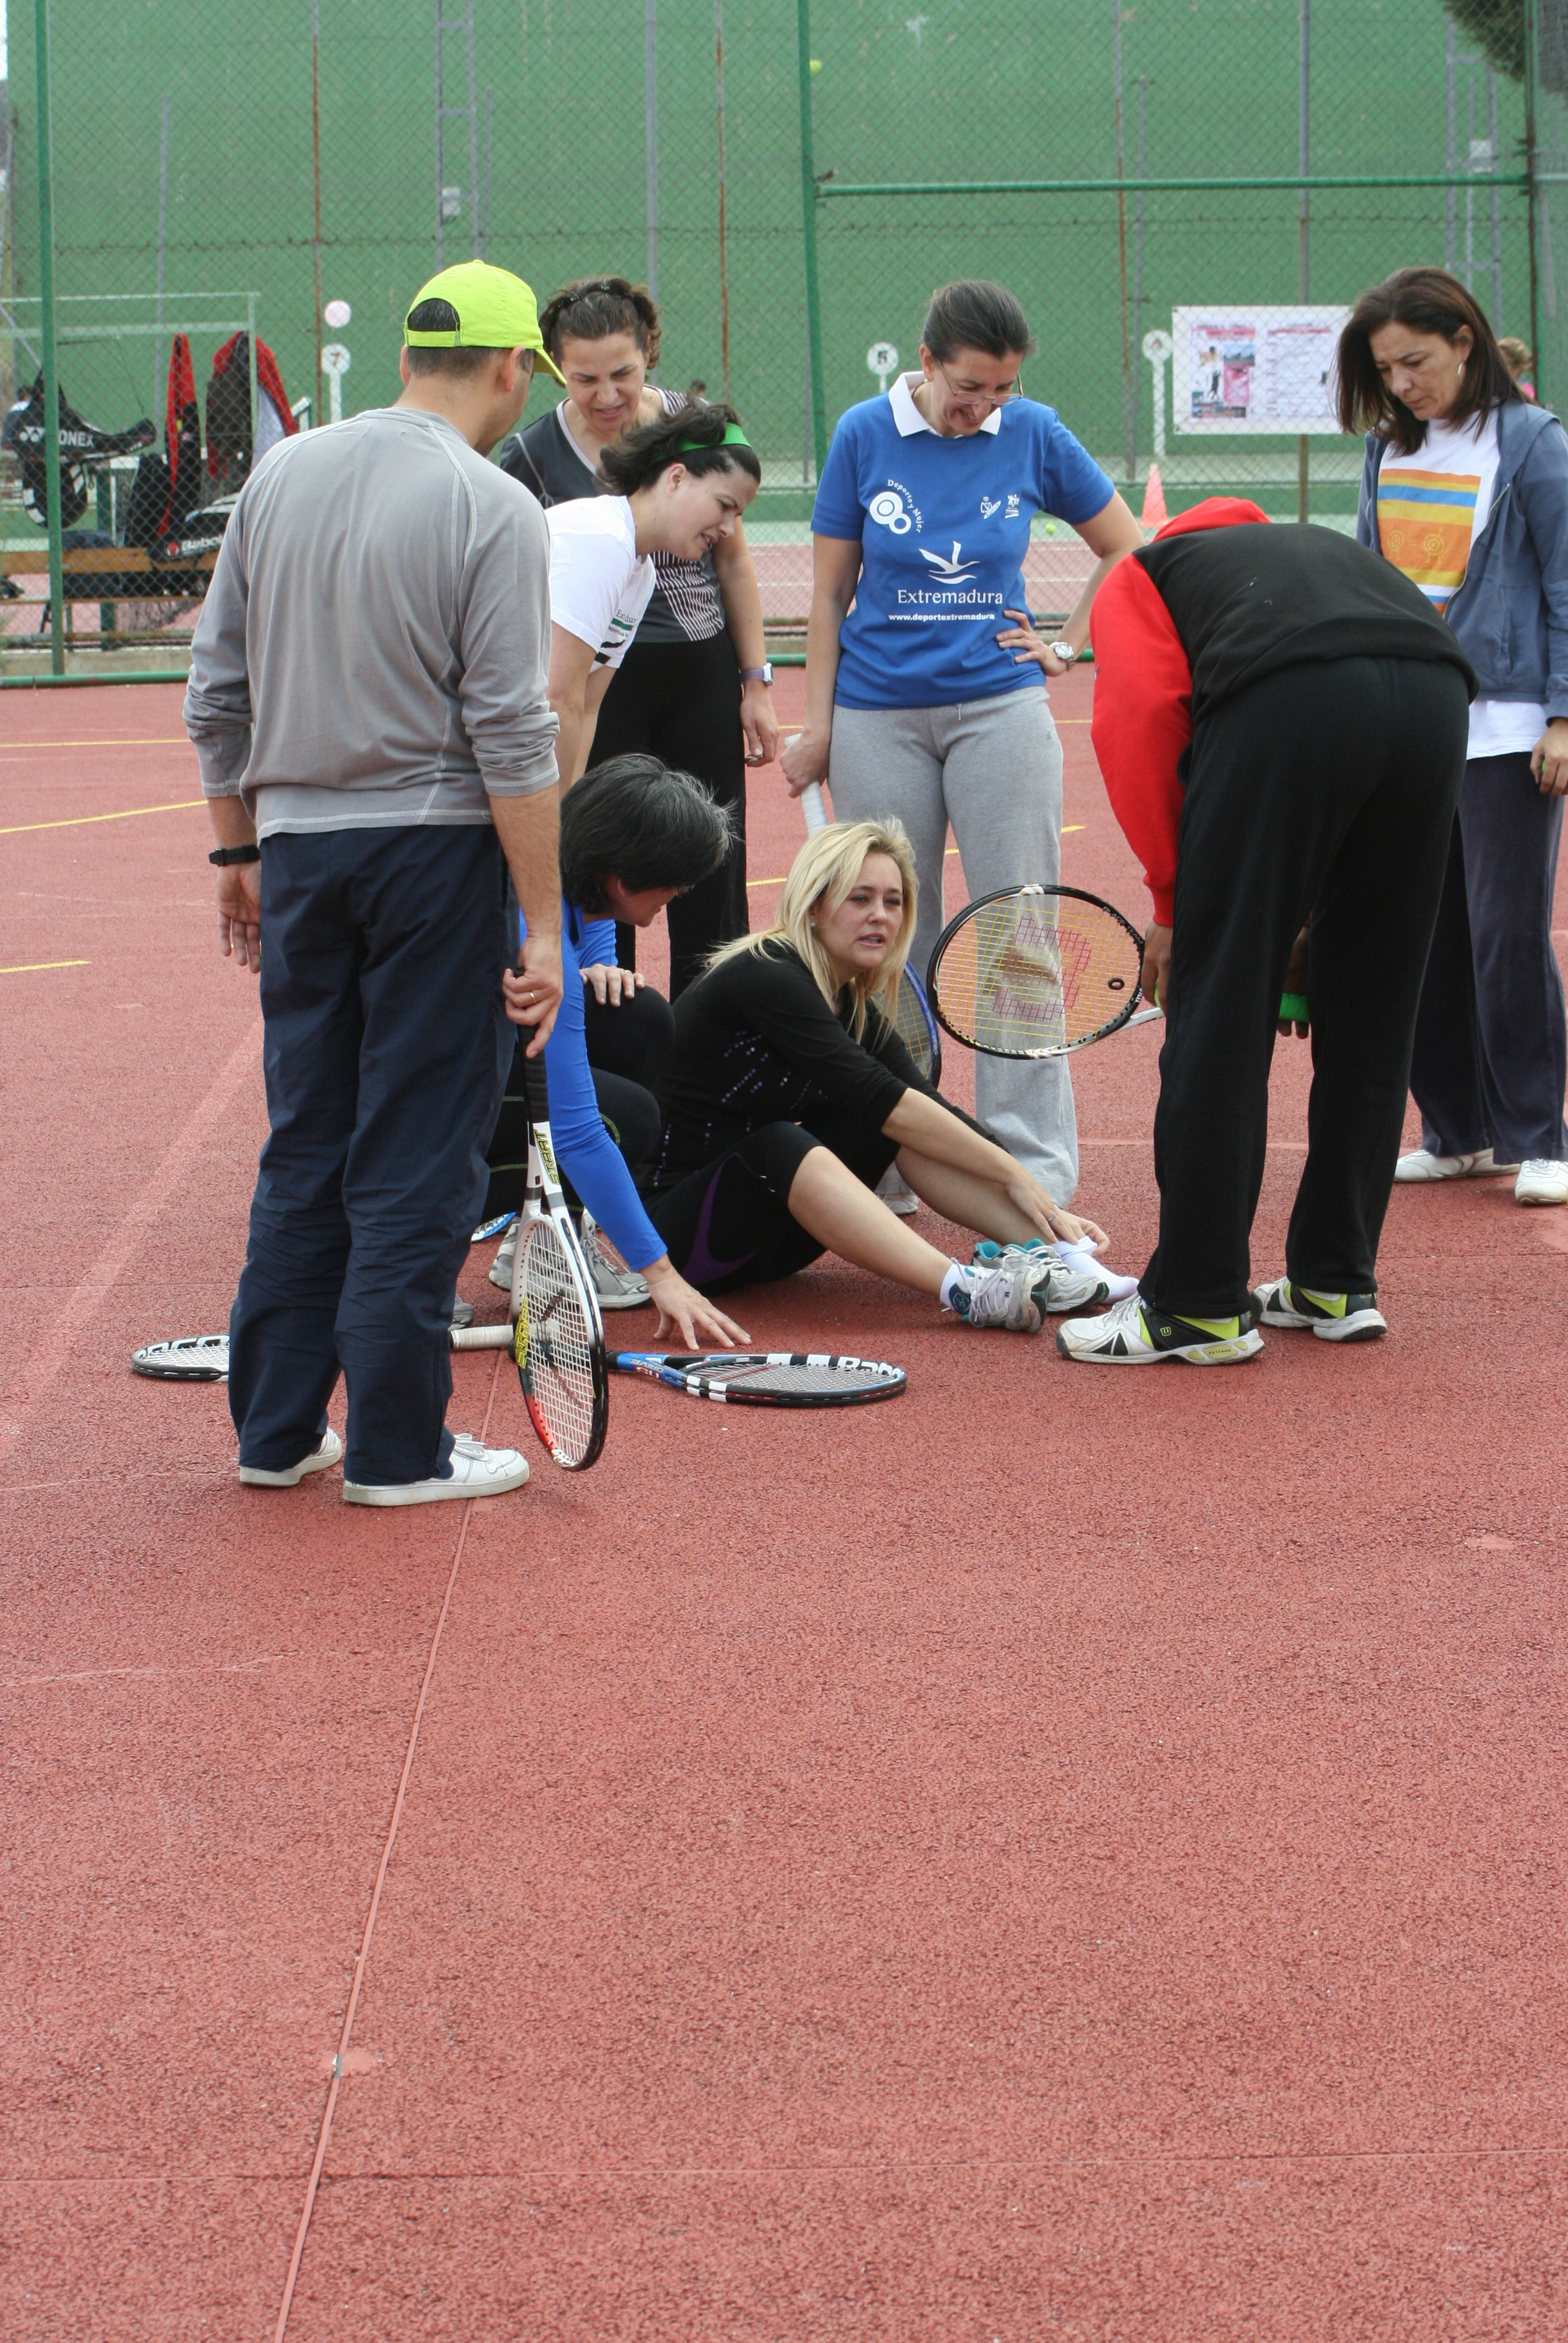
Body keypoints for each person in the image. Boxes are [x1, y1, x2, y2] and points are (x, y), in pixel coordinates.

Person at [187, 261, 570, 1506]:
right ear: (512, 369)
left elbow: (216, 691)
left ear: (409, 356)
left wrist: (239, 849)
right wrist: (547, 924)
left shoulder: (280, 474)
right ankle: (401, 1449)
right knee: (416, 1145)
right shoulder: (493, 504)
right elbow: (512, 731)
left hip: (300, 851)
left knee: (308, 1137)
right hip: (432, 852)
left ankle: (276, 1430)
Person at [1066, 497, 1476, 1366]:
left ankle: (1197, 1305)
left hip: (1293, 697)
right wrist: (1310, 923)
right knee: (1372, 1006)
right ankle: (1336, 1279)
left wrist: (1176, 906)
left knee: (1219, 1013)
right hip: (1438, 698)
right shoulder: (1310, 551)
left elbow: (1138, 725)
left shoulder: (1146, 572)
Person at [780, 279, 1145, 1208]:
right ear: (928, 361)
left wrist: (1068, 643)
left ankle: (1033, 1166)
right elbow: (828, 594)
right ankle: (892, 1154)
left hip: (1000, 710)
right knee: (881, 939)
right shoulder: (865, 433)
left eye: (1001, 389)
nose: (983, 405)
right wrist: (819, 727)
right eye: (969, 386)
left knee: (1016, 927)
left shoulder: (1034, 433)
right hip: (877, 715)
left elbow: (1126, 543)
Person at [1338, 266, 1568, 1209]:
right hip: (1410, 727)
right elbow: (1370, 577)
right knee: (1419, 939)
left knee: (1504, 937)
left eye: (1415, 361)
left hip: (1509, 732)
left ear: (1464, 341)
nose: (1403, 383)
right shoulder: (1386, 447)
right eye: (1386, 368)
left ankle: (1537, 1136)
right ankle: (1457, 1133)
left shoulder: (1529, 442)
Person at [642, 820, 1130, 1327]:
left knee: (904, 1121)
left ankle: (1061, 1254)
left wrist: (1042, 1205)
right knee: (795, 1139)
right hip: (681, 1240)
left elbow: (926, 1106)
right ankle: (967, 1290)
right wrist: (1016, 1175)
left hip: (773, 1241)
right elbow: (882, 1098)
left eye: (893, 902)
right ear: (813, 907)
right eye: (860, 899)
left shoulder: (852, 1003)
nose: (880, 915)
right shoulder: (765, 974)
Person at [500, 277, 779, 993]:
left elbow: (734, 560)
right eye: (585, 379)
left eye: (622, 373)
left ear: (649, 353)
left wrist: (755, 680)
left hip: (689, 667)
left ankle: (706, 1020)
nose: (607, 395)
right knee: (604, 862)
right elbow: (564, 697)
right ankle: (600, 1000)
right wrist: (553, 817)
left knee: (707, 862)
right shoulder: (565, 498)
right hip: (585, 676)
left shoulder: (647, 551)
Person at [479, 753, 751, 1348]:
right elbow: (575, 1132)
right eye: (675, 884)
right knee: (624, 1119)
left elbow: (593, 912)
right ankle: (421, 1246)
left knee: (639, 1021)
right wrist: (662, 1274)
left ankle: (544, 1237)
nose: (677, 896)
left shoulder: (556, 874)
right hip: (409, 1107)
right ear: (624, 881)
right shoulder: (539, 945)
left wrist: (601, 964)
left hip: (441, 1069)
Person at [539, 400, 761, 798]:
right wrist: (549, 817)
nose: (729, 529)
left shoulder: (640, 573)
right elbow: (558, 699)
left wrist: (567, 807)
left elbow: (587, 706)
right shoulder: (602, 539)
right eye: (725, 506)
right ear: (676, 479)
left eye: (737, 516)